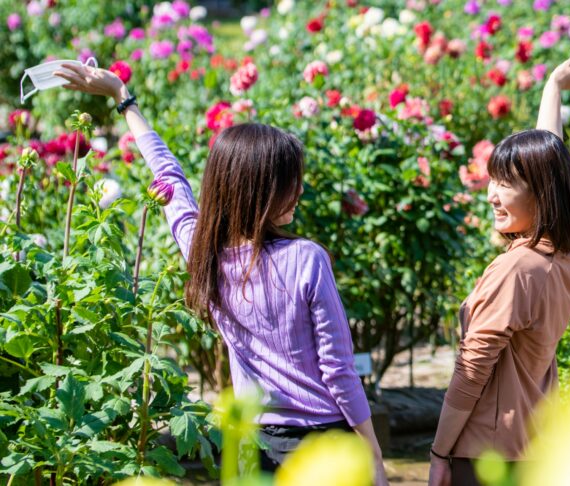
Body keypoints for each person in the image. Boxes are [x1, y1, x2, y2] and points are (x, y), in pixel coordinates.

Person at [54, 64, 389, 484]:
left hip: (254, 445)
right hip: (322, 444)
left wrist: (124, 99)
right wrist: (372, 450)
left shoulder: (204, 254)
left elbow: (167, 174)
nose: (300, 190)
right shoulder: (307, 258)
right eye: (291, 182)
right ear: (262, 191)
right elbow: (338, 371)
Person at [428, 53, 570, 486]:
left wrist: (439, 453)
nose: (491, 195)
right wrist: (554, 86)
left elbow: (471, 372)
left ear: (540, 193)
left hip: (486, 455)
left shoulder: (517, 270)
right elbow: (550, 158)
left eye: (506, 183)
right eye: (492, 180)